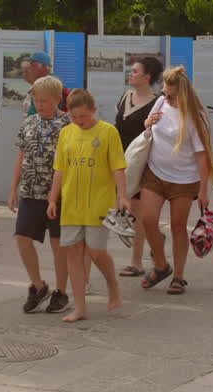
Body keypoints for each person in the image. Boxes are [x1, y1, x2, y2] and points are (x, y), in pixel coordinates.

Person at [46, 89, 128, 322]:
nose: (79, 121)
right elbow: (59, 169)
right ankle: (80, 307)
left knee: (95, 251)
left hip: (99, 202)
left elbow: (118, 167)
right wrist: (53, 198)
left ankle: (112, 283)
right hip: (71, 203)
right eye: (75, 117)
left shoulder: (108, 132)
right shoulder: (66, 134)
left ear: (93, 110)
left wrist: (122, 196)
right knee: (72, 252)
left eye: (83, 116)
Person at [137, 66, 213, 296]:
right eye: (164, 93)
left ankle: (179, 275)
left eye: (171, 95)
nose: (166, 98)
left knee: (178, 226)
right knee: (148, 220)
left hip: (184, 179)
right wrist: (149, 121)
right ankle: (161, 265)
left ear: (183, 93)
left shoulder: (194, 117)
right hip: (155, 172)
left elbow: (202, 156)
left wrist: (203, 190)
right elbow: (147, 128)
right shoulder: (160, 103)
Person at [8, 75, 71, 314]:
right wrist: (13, 189)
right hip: (31, 191)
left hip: (59, 194)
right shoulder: (28, 123)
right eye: (36, 100)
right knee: (22, 238)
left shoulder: (68, 124)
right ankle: (38, 285)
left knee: (59, 245)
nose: (40, 104)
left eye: (45, 100)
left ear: (57, 100)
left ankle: (62, 291)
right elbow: (20, 158)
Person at [114, 55, 164, 277]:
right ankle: (156, 237)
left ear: (147, 76)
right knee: (134, 211)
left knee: (137, 210)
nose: (130, 74)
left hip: (143, 162)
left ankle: (136, 262)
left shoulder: (157, 103)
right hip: (122, 161)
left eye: (135, 71)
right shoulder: (125, 96)